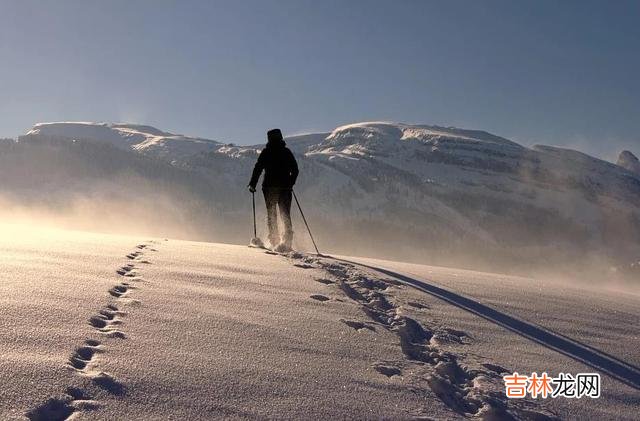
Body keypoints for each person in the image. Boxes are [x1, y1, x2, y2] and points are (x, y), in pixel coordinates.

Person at [248, 129, 299, 249]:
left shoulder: (266, 152)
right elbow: (295, 170)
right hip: (285, 188)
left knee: (271, 214)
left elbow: (258, 168)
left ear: (269, 139)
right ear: (280, 137)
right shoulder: (286, 152)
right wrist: (291, 183)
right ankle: (287, 242)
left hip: (269, 187)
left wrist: (252, 184)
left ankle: (274, 241)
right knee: (285, 213)